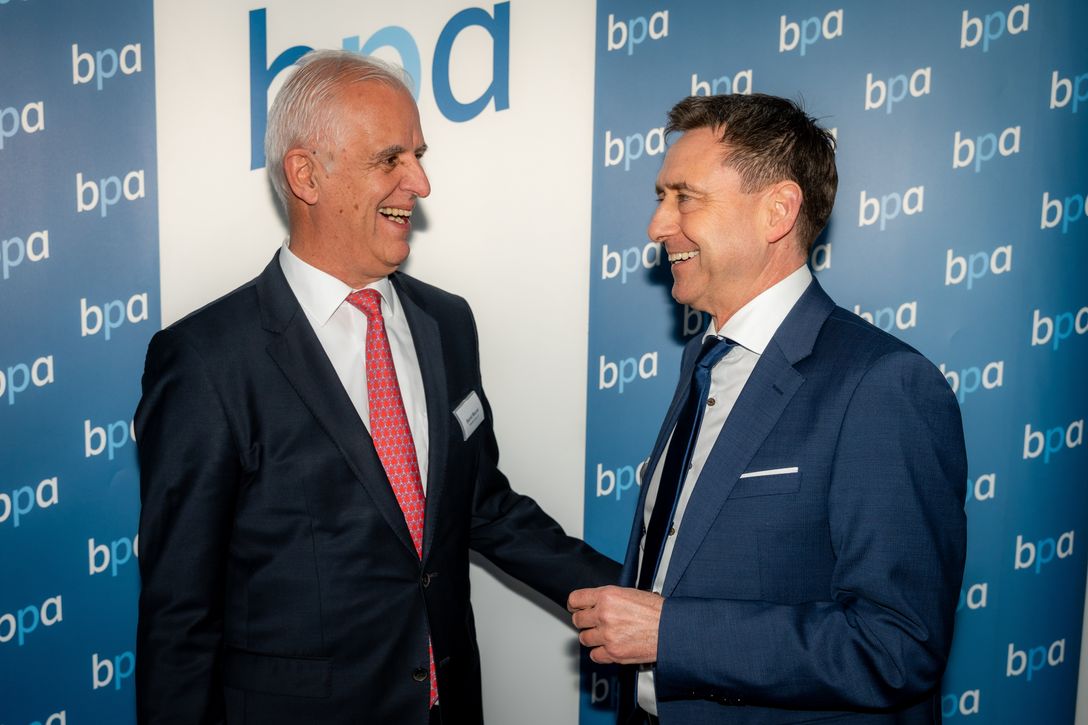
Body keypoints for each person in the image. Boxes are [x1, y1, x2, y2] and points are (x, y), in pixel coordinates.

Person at [134, 49, 618, 725]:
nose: (420, 182)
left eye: (418, 155)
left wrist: (633, 594)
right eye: (391, 158)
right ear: (306, 175)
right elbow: (179, 614)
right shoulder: (206, 361)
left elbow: (482, 506)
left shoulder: (447, 322)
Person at [569, 93, 967, 724]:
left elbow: (897, 646)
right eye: (661, 197)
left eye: (684, 198)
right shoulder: (705, 360)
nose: (657, 225)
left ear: (777, 210)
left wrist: (672, 634)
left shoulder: (883, 384)